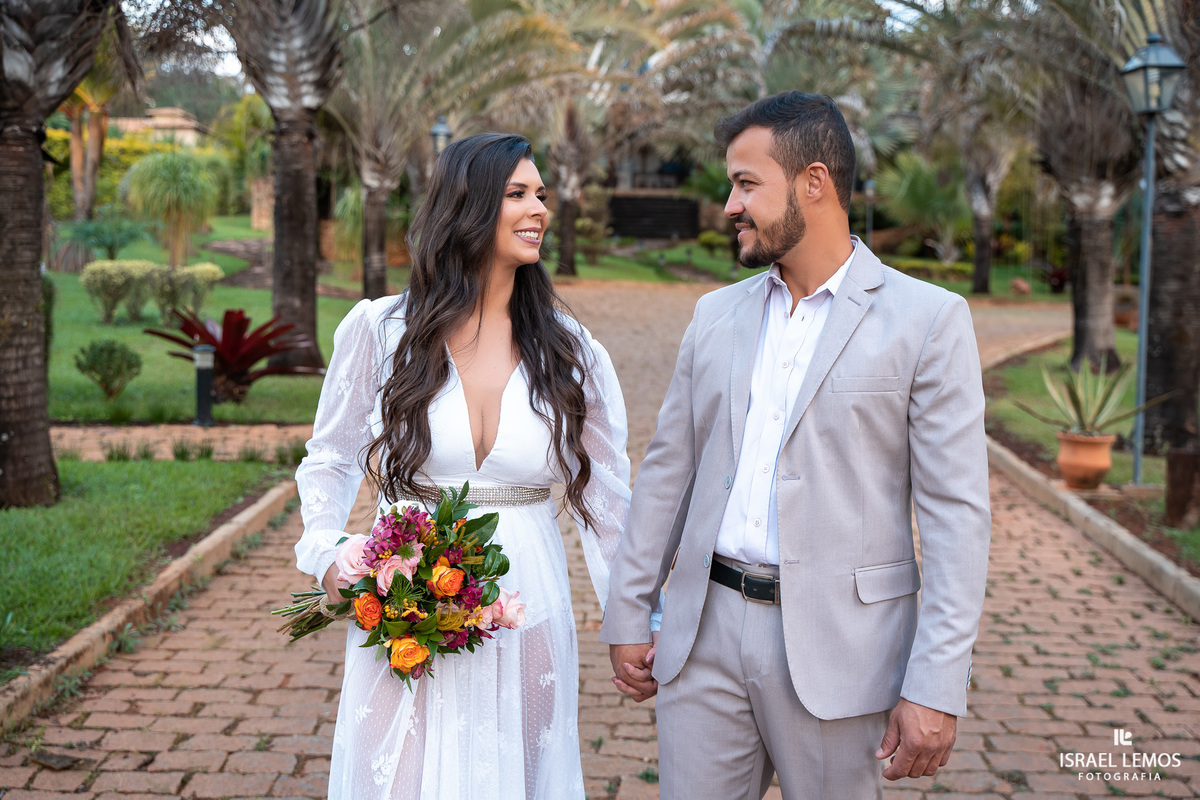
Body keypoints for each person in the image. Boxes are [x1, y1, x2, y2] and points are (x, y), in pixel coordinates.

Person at [601, 92, 991, 799]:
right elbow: (668, 476)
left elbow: (956, 518)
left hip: (844, 652)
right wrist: (629, 610)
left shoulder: (928, 322)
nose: (729, 205)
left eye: (747, 184)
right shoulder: (714, 316)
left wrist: (937, 682)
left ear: (814, 183)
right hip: (703, 639)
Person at [293, 132, 631, 800]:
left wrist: (631, 618)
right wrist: (327, 550)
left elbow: (610, 497)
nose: (538, 208)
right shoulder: (381, 329)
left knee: (522, 774)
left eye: (540, 194)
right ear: (468, 206)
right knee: (400, 777)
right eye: (517, 194)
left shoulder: (573, 351)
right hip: (406, 589)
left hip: (527, 591)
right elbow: (330, 456)